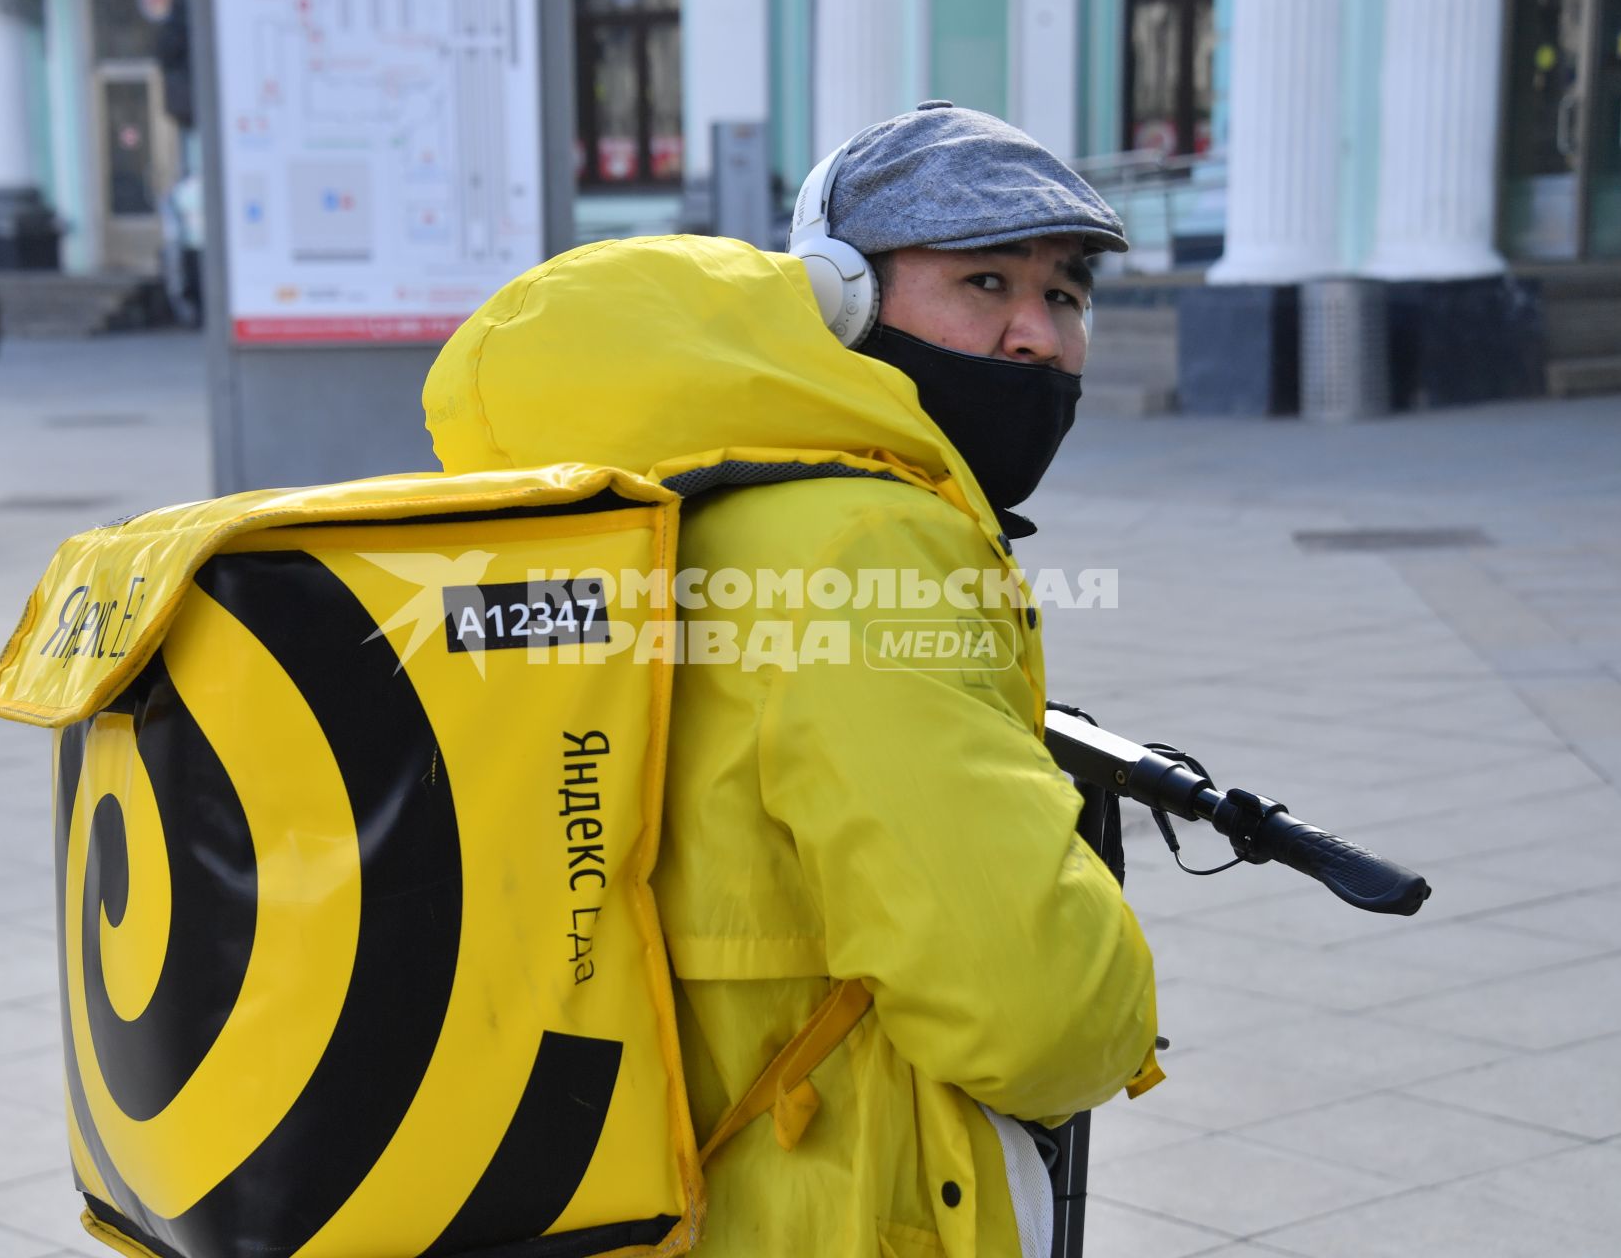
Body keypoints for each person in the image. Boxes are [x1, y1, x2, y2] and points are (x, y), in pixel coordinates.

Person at [424, 102, 1159, 1257]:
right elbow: (1035, 1010)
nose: (1037, 335)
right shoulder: (865, 546)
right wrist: (1112, 977)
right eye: (984, 283)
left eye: (1065, 294)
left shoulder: (652, 506)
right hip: (825, 1198)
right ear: (840, 300)